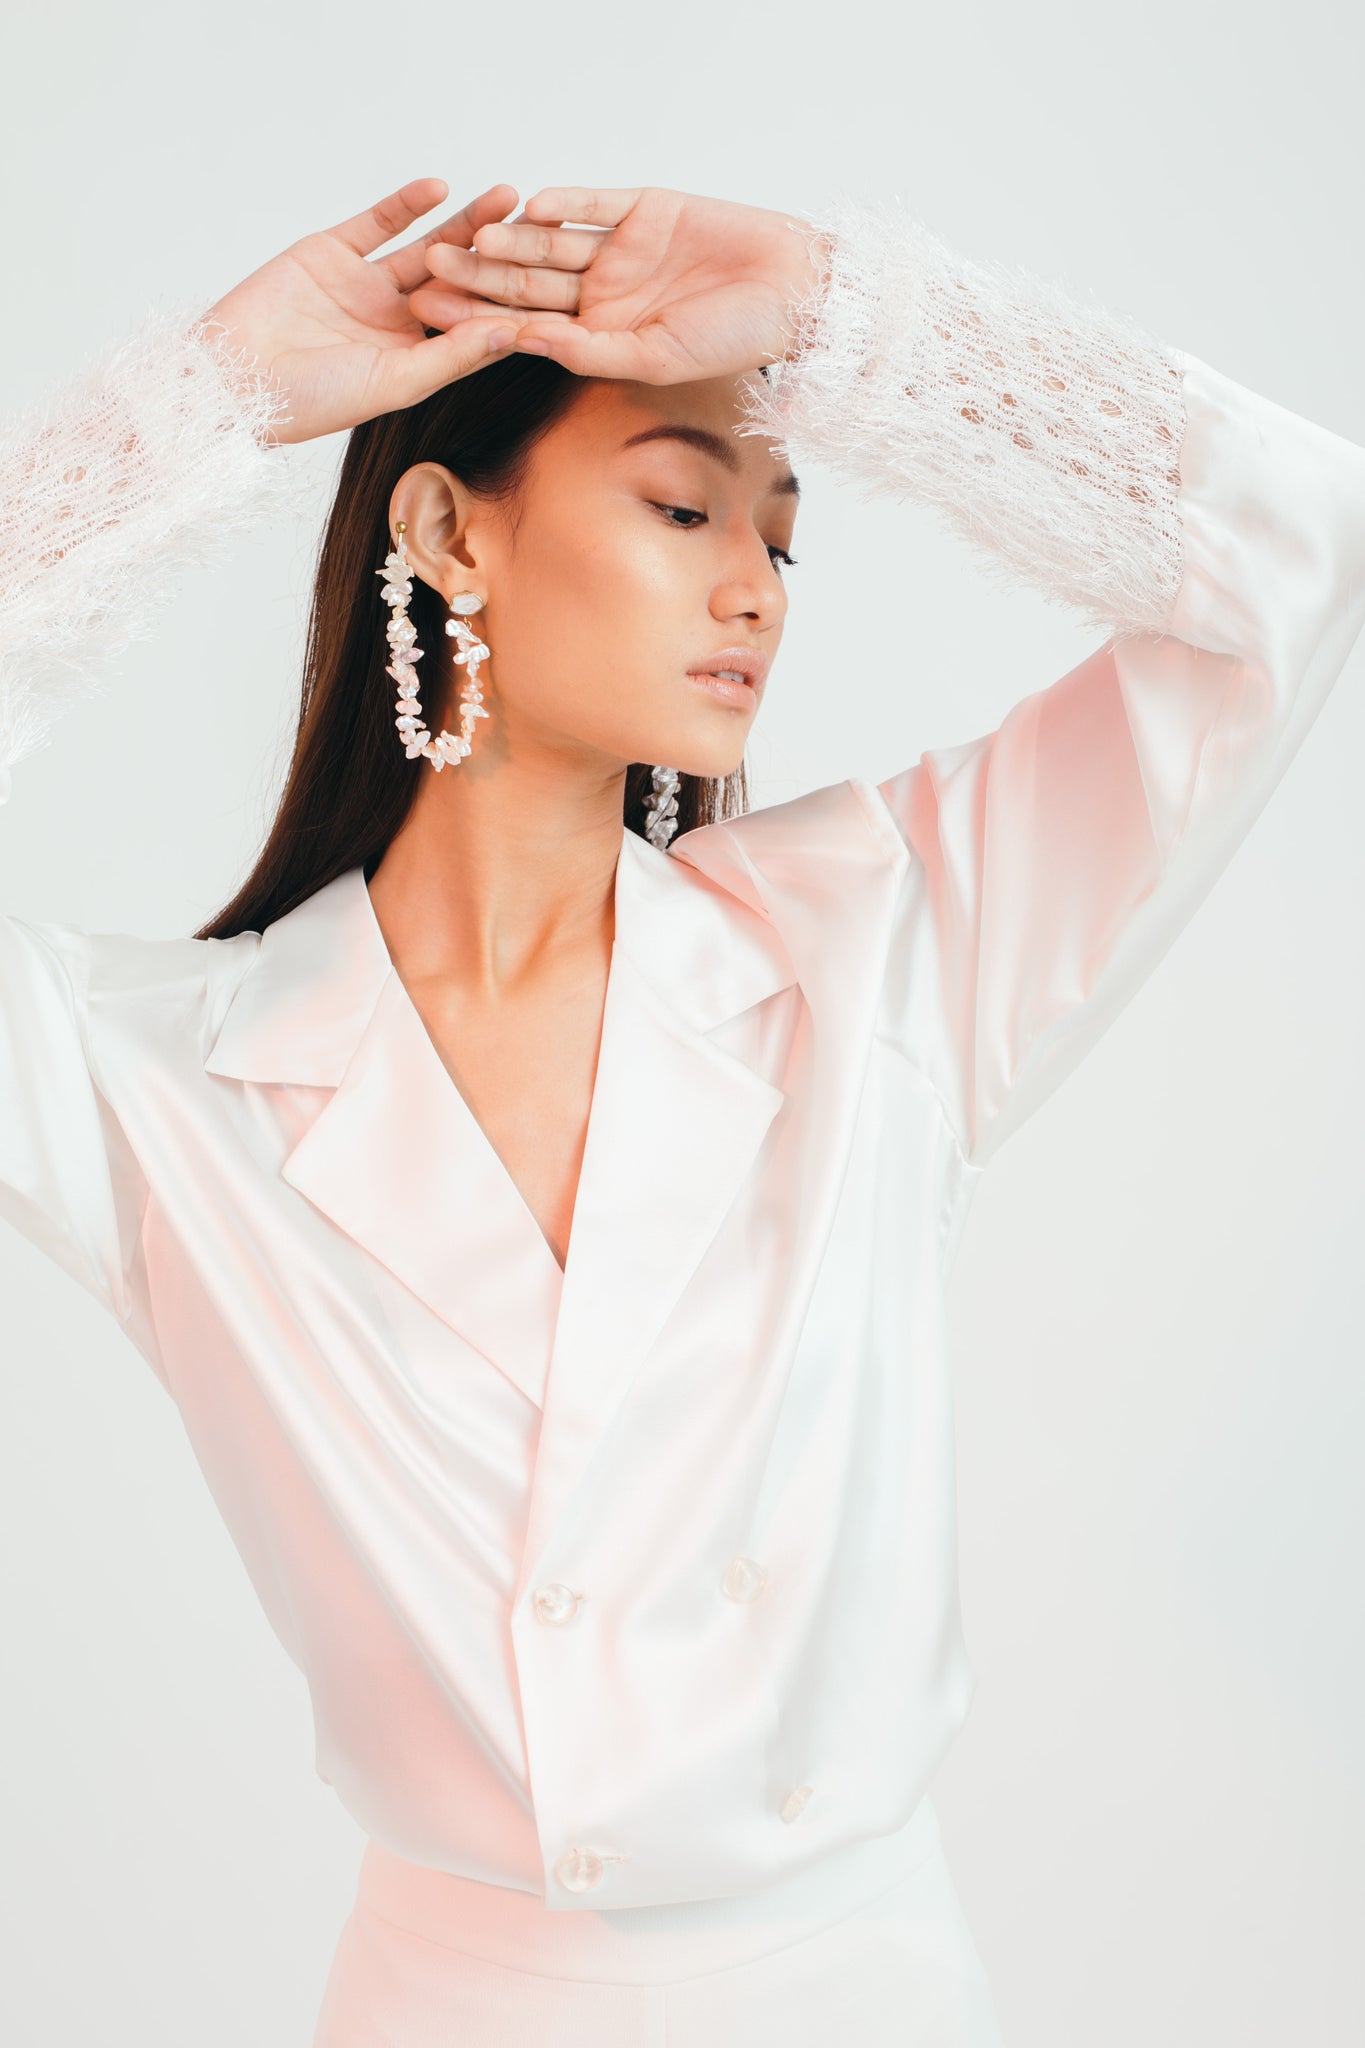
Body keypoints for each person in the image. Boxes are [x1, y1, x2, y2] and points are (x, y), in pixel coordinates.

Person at [2, 171, 1362, 2046]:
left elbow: (1296, 544)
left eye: (782, 539)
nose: (753, 588)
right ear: (446, 532)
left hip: (860, 1997)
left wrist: (840, 313)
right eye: (678, 505)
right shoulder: (163, 1080)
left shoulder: (878, 942)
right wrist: (209, 402)